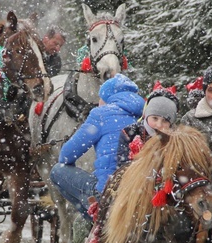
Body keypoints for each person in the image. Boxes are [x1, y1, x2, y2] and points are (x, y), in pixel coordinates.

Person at [49, 74, 144, 220]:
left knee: (57, 171)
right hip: (136, 195)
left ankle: (91, 219)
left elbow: (66, 155)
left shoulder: (101, 114)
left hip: (108, 194)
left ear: (106, 98)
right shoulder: (144, 117)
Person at [116, 86, 180, 168]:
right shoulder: (130, 133)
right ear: (146, 115)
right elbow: (122, 165)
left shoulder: (176, 139)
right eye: (155, 118)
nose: (159, 125)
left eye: (165, 121)